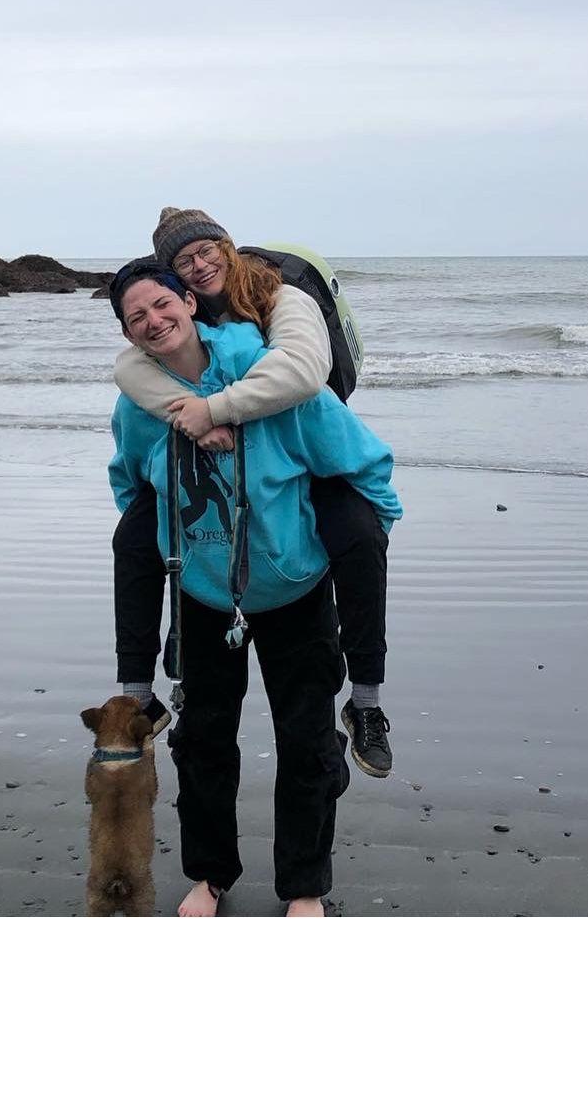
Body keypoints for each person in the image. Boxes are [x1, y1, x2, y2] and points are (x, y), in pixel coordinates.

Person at [107, 260, 402, 916]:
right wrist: (179, 549)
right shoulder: (138, 407)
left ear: (189, 301)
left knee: (307, 742)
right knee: (201, 744)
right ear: (128, 335)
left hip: (295, 590)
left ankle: (304, 885)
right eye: (137, 317)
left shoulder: (271, 381)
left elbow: (364, 460)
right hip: (203, 598)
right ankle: (209, 876)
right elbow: (129, 482)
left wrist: (362, 542)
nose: (154, 321)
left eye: (162, 304)